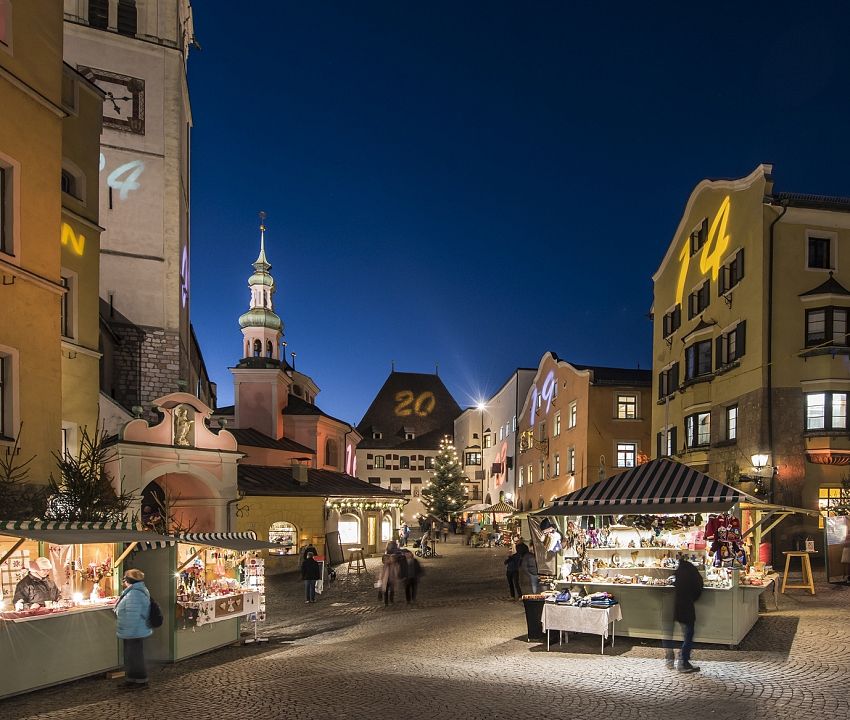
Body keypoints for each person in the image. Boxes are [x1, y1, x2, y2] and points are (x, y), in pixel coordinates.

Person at [114, 568, 152, 689]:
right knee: (131, 656)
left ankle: (140, 680)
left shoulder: (134, 594)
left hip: (133, 631)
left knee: (135, 657)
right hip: (132, 630)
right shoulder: (134, 592)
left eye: (125, 578)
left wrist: (128, 630)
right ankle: (132, 678)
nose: (123, 580)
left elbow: (132, 614)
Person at [668, 557, 703, 673]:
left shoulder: (679, 573)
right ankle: (683, 661)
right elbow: (698, 587)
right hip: (687, 608)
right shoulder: (691, 572)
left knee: (686, 634)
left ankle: (680, 659)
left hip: (678, 608)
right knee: (689, 634)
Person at [379, 541, 401, 605]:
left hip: (391, 578)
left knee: (391, 590)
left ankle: (390, 600)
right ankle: (387, 601)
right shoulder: (386, 565)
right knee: (387, 590)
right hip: (388, 578)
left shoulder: (392, 564)